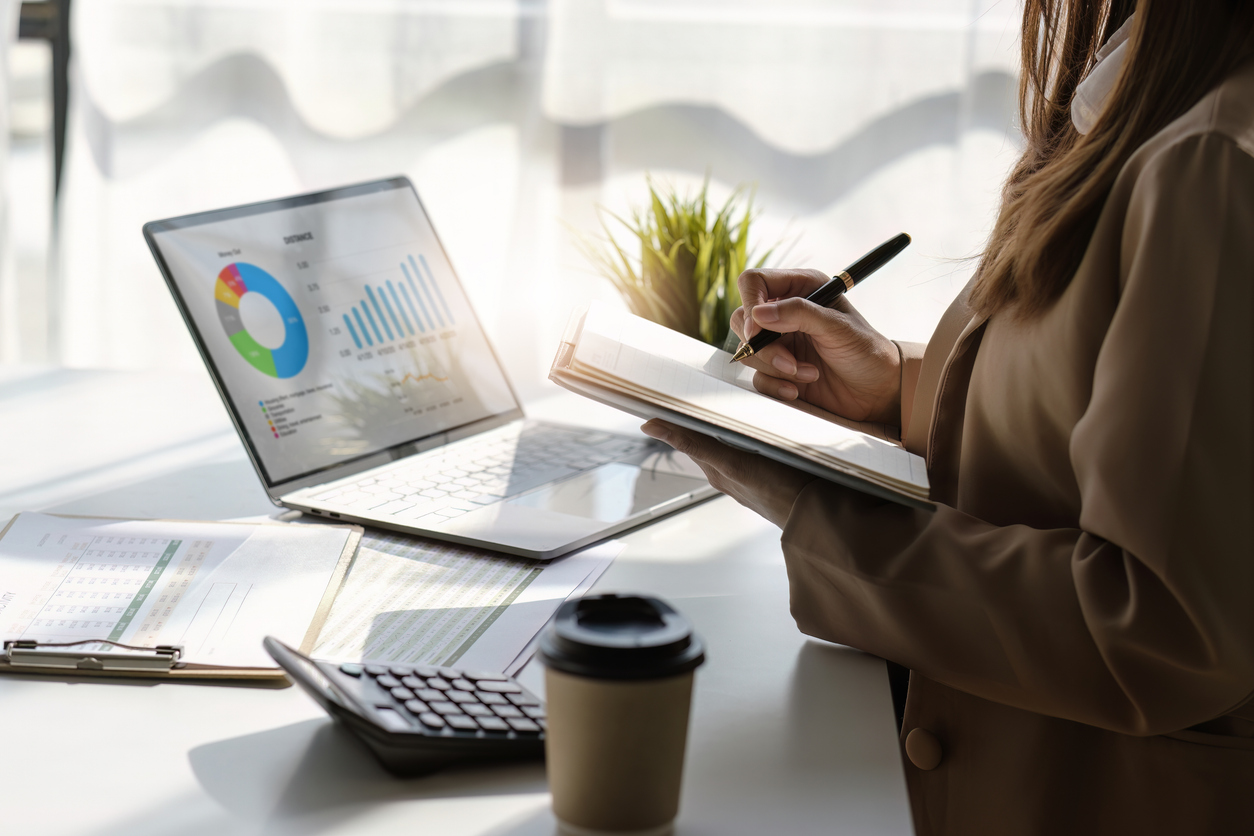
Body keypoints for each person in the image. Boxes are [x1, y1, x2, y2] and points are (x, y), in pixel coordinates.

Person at [639, 2, 1254, 833]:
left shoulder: (1211, 158)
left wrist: (817, 509)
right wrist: (895, 388)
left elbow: (1162, 632)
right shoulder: (1140, 84)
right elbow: (1102, 409)